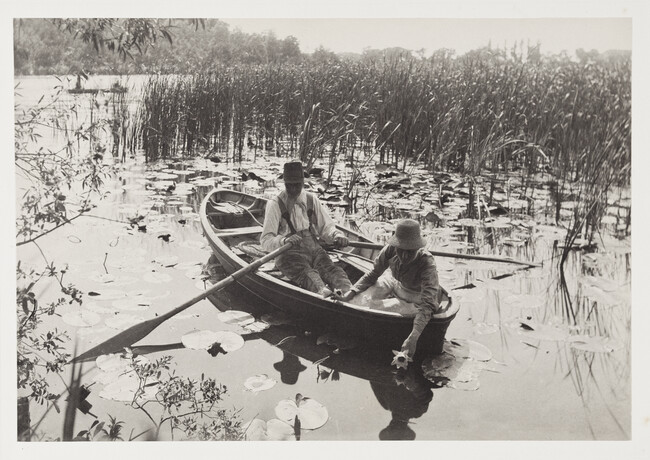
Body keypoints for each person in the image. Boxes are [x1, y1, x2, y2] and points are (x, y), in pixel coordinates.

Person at [340, 219, 449, 361]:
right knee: (360, 300)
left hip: (416, 296)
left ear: (417, 248)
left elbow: (428, 304)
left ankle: (395, 309)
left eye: (409, 252)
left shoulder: (427, 263)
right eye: (400, 250)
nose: (404, 256)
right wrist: (350, 293)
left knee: (378, 309)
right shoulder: (390, 249)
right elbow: (373, 274)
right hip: (394, 282)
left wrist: (413, 336)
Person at [260, 161, 353, 298]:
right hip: (289, 254)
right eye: (289, 185)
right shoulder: (275, 204)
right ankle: (326, 297)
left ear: (303, 182)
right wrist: (284, 240)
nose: (292, 189)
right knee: (310, 277)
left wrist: (337, 235)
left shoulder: (311, 199)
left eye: (297, 185)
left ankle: (350, 295)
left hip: (314, 249)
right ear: (284, 183)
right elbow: (265, 240)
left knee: (334, 272)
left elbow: (326, 227)